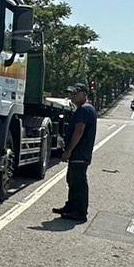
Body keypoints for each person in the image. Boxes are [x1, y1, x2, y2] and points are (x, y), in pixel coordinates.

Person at [54, 83, 97, 221]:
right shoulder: (86, 109)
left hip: (80, 153)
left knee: (78, 182)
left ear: (84, 94)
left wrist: (69, 150)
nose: (72, 96)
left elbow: (79, 131)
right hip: (80, 153)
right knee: (72, 179)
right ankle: (71, 206)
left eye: (75, 93)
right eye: (71, 94)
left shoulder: (83, 110)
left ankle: (79, 212)